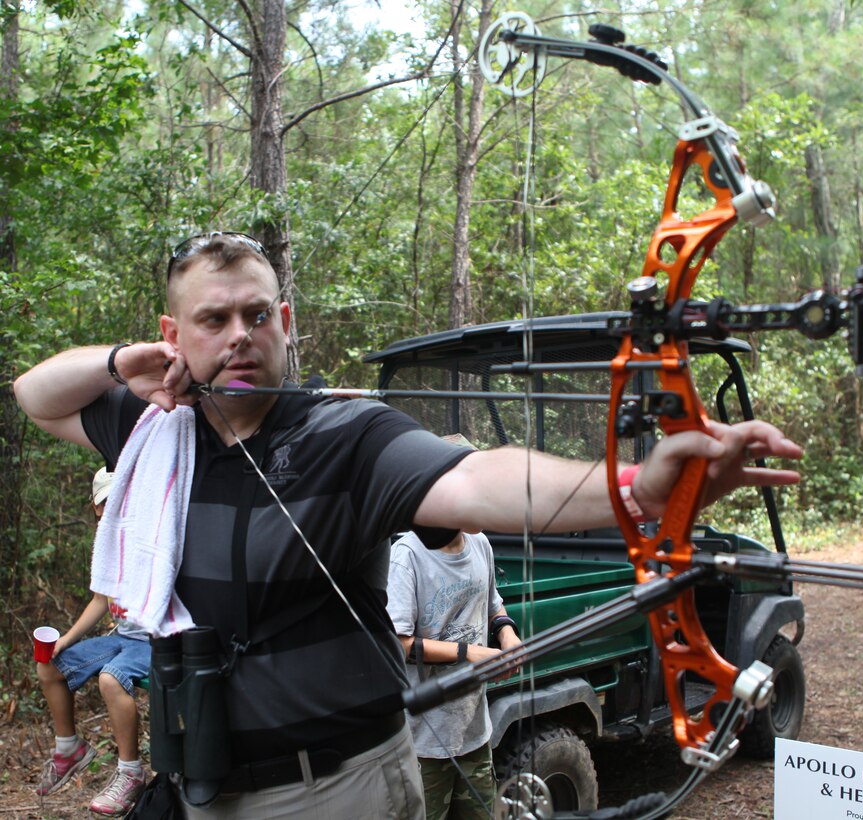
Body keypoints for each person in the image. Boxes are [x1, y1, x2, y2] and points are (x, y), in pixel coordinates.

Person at [12, 231, 803, 818]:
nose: (239, 336)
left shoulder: (345, 433)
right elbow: (34, 394)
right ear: (173, 334)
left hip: (340, 784)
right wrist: (122, 362)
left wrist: (638, 486)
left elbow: (476, 475)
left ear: (285, 321)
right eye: (211, 320)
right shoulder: (155, 432)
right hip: (203, 781)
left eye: (257, 314)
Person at [35, 467, 150, 817]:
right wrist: (65, 640)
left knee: (111, 678)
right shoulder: (106, 546)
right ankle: (69, 748)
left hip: (156, 640)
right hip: (123, 636)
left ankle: (130, 772)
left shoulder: (150, 537)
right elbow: (101, 601)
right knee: (49, 665)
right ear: (97, 508)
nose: (116, 508)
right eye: (107, 503)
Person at [387, 526, 521, 819]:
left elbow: (494, 607)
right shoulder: (407, 555)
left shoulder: (480, 543)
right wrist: (469, 652)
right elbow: (399, 644)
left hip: (474, 729)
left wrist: (508, 634)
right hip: (425, 740)